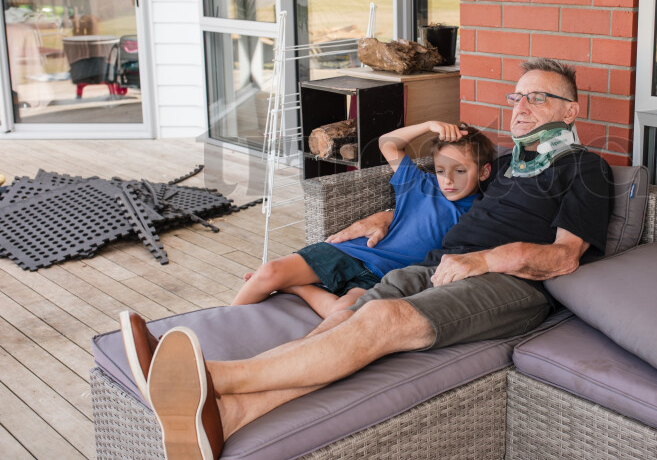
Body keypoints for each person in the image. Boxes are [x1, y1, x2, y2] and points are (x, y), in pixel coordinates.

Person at [125, 57, 614, 460]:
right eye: (517, 96)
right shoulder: (506, 163)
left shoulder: (586, 168)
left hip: (511, 286)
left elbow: (564, 258)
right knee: (344, 318)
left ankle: (209, 378)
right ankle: (227, 420)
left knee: (380, 317)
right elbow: (444, 194)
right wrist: (383, 215)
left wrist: (485, 261)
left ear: (571, 112)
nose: (521, 107)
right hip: (437, 265)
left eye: (538, 97)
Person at [231, 120, 494, 317]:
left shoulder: (482, 211)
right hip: (351, 251)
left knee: (342, 312)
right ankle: (221, 325)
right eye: (440, 170)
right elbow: (387, 142)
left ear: (483, 172)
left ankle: (297, 288)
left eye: (460, 171)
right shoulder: (418, 183)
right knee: (268, 272)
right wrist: (428, 125)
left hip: (381, 276)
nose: (447, 180)